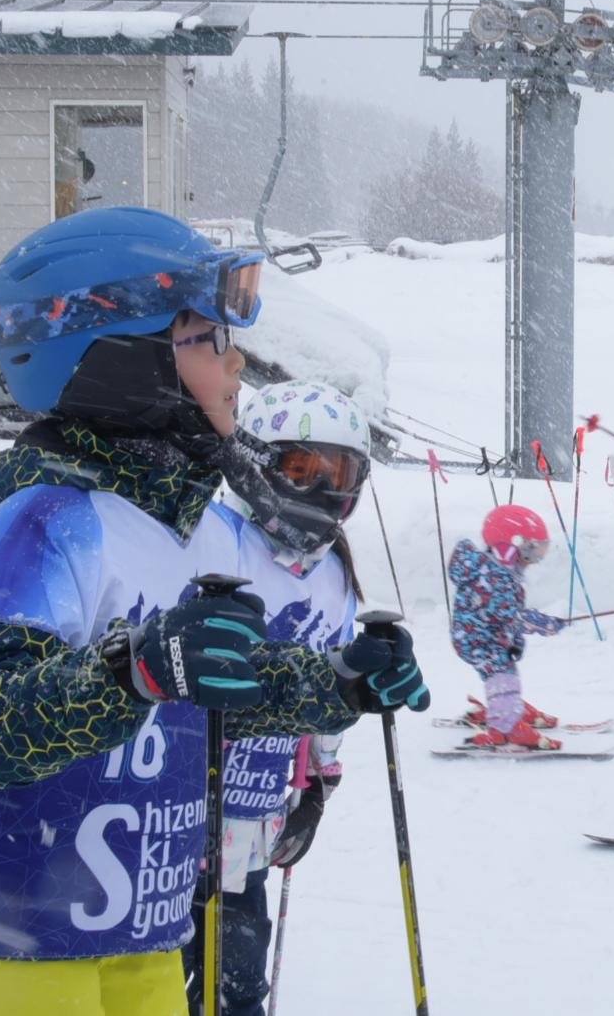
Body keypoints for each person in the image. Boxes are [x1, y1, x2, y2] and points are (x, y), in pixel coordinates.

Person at [0, 208, 431, 1016]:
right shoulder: (45, 518)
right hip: (8, 921)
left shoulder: (188, 527)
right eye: (210, 339)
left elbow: (220, 683)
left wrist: (341, 684)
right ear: (121, 356)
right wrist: (137, 667)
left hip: (141, 917)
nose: (238, 361)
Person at [182, 379, 371, 1016]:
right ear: (260, 464)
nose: (322, 489)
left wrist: (318, 786)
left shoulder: (336, 573)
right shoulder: (211, 536)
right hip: (181, 817)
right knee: (175, 982)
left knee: (238, 984)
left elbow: (331, 685)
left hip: (257, 814)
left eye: (338, 473)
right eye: (301, 468)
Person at [447, 505, 568, 750]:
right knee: (502, 673)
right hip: (478, 639)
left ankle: (505, 708)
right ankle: (505, 726)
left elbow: (505, 615)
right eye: (532, 551)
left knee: (505, 671)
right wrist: (542, 623)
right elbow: (508, 614)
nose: (535, 560)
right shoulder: (494, 576)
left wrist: (517, 637)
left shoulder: (497, 570)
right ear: (511, 546)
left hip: (485, 635)